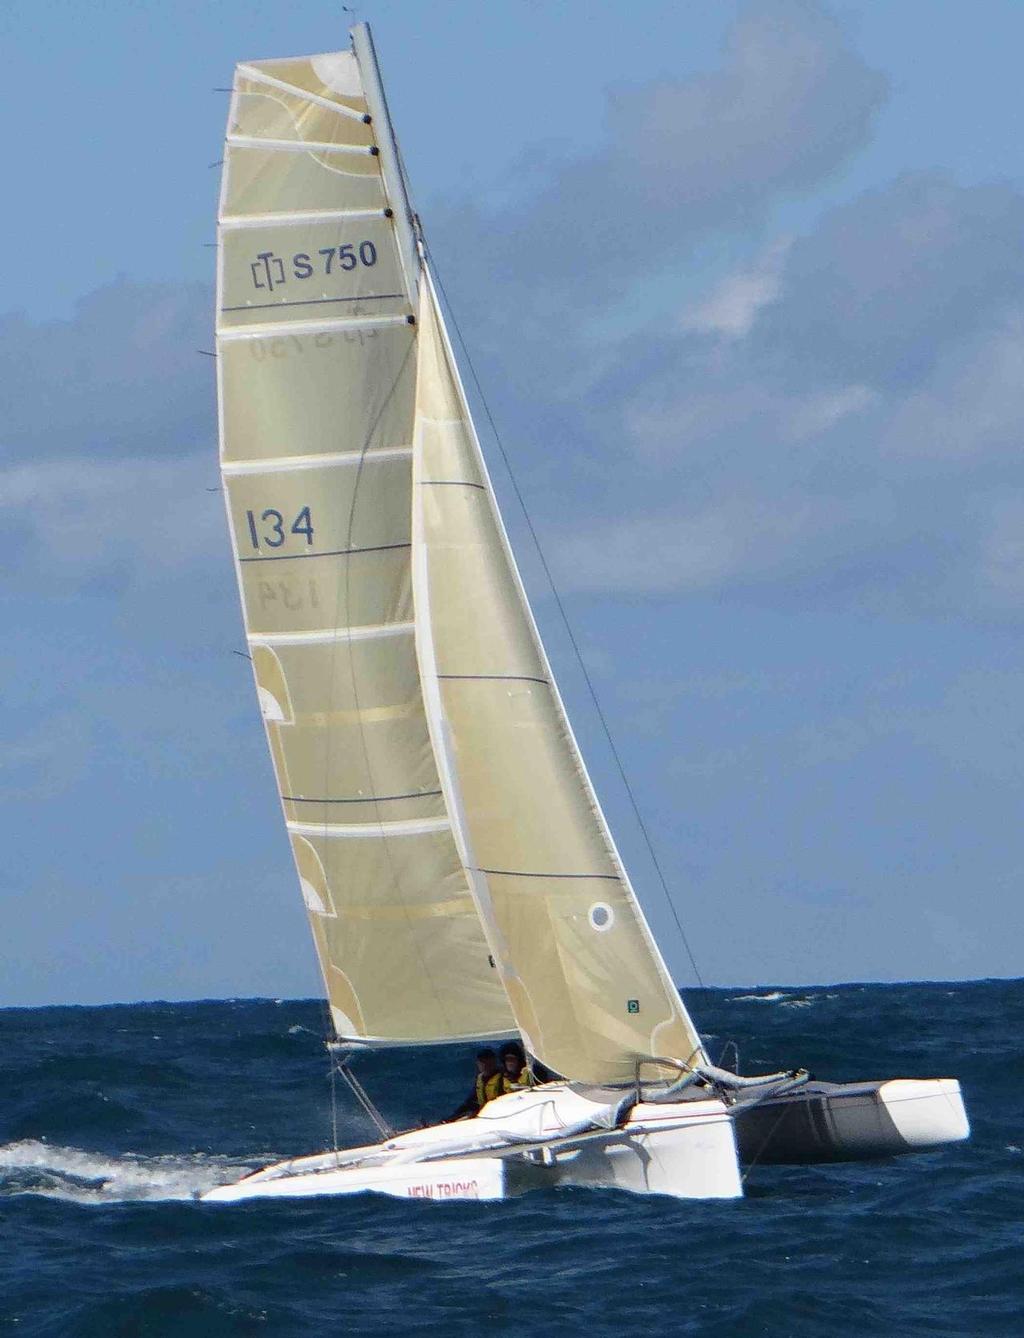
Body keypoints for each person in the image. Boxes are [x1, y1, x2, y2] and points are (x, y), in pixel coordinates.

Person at [447, 1048, 503, 1121]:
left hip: (498, 1115)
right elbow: (471, 1101)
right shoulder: (480, 1079)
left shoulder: (502, 1078)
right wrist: (453, 1117)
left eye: (488, 1061)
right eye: (482, 1062)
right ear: (478, 1063)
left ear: (494, 1062)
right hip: (483, 1114)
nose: (485, 1065)